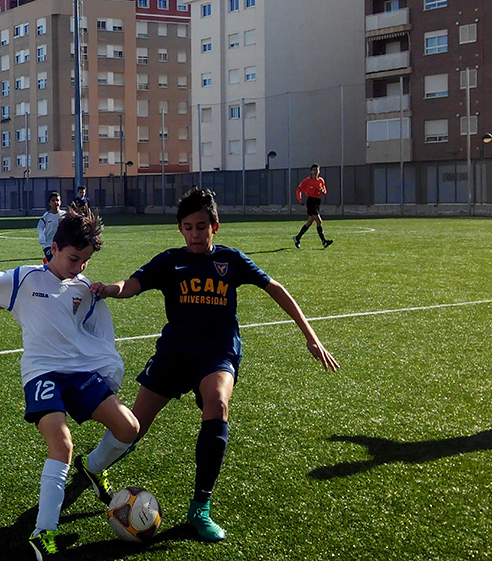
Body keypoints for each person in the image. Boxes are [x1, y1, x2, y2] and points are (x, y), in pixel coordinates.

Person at [89, 187, 338, 542]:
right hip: (175, 352)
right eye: (188, 227)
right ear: (180, 229)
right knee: (133, 427)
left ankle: (200, 507)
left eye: (202, 226)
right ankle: (93, 466)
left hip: (217, 352)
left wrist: (310, 335)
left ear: (215, 227)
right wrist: (110, 289)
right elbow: (132, 284)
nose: (195, 234)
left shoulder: (231, 260)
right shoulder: (170, 260)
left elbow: (276, 288)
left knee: (217, 403)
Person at [0, 211, 139, 561]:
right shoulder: (26, 279)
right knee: (62, 443)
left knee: (128, 427)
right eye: (74, 258)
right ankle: (43, 532)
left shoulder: (84, 287)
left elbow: (94, 324)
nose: (79, 267)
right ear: (53, 248)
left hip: (78, 370)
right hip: (42, 373)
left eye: (85, 261)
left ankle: (94, 467)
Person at [294, 164, 333, 249]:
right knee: (319, 221)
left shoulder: (321, 180)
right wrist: (300, 199)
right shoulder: (307, 181)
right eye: (314, 170)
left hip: (317, 201)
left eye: (317, 170)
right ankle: (324, 241)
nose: (315, 171)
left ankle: (297, 237)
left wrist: (323, 191)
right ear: (311, 171)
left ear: (319, 171)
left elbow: (324, 191)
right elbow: (299, 190)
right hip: (311, 201)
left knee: (310, 222)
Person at [36, 191, 65, 262]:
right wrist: (41, 235)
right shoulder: (46, 216)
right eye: (53, 200)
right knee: (53, 261)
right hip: (49, 244)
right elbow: (40, 226)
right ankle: (47, 261)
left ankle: (47, 262)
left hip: (61, 243)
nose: (56, 202)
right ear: (49, 203)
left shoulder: (64, 215)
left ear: (60, 202)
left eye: (57, 200)